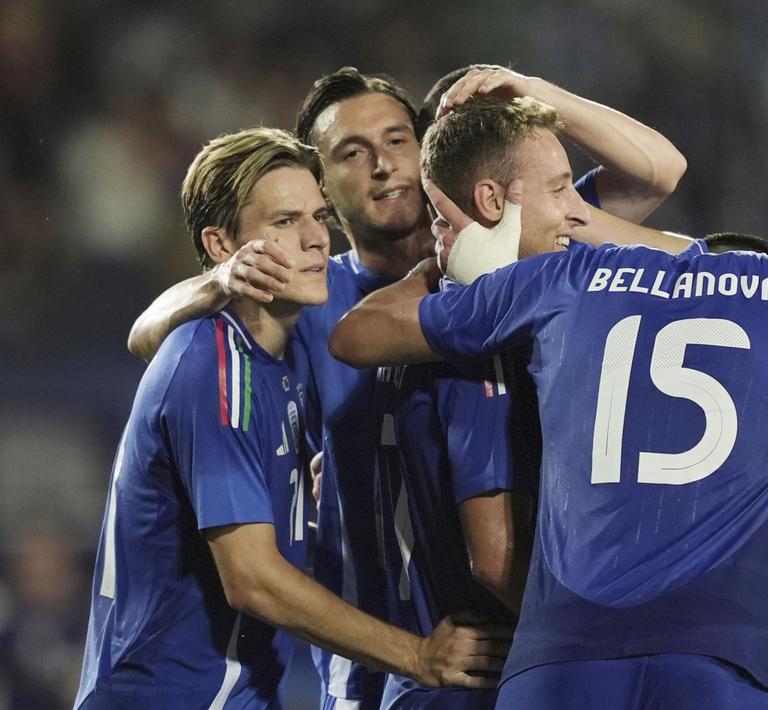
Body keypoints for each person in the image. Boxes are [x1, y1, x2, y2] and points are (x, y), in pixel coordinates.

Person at [327, 93, 768, 710]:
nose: (576, 212)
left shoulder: (560, 283)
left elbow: (353, 335)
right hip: (717, 650)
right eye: (562, 188)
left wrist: (464, 275)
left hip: (559, 654)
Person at [126, 65, 691, 709]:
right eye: (351, 152)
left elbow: (657, 172)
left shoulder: (513, 244)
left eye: (397, 140)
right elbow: (152, 338)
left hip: (516, 633)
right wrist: (218, 280)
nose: (382, 165)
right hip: (379, 655)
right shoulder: (308, 292)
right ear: (322, 185)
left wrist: (538, 93)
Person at [74, 128, 507, 709]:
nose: (314, 239)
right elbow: (251, 579)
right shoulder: (214, 364)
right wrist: (418, 656)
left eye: (318, 217)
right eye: (283, 222)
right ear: (221, 244)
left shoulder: (274, 366)